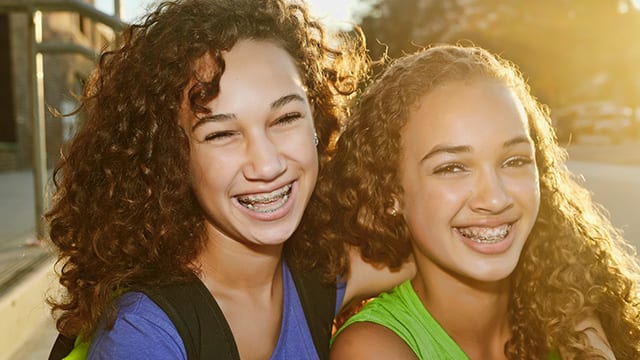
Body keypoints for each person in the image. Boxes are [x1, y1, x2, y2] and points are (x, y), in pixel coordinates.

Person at [45, 0, 413, 359]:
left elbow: (437, 243)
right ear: (173, 158)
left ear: (317, 123)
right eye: (221, 134)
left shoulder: (314, 274)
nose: (267, 165)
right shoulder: (143, 334)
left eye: (286, 118)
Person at [310, 44, 640, 359]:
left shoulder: (570, 312)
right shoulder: (371, 348)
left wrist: (584, 327)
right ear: (391, 194)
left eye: (514, 161)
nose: (495, 198)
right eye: (452, 168)